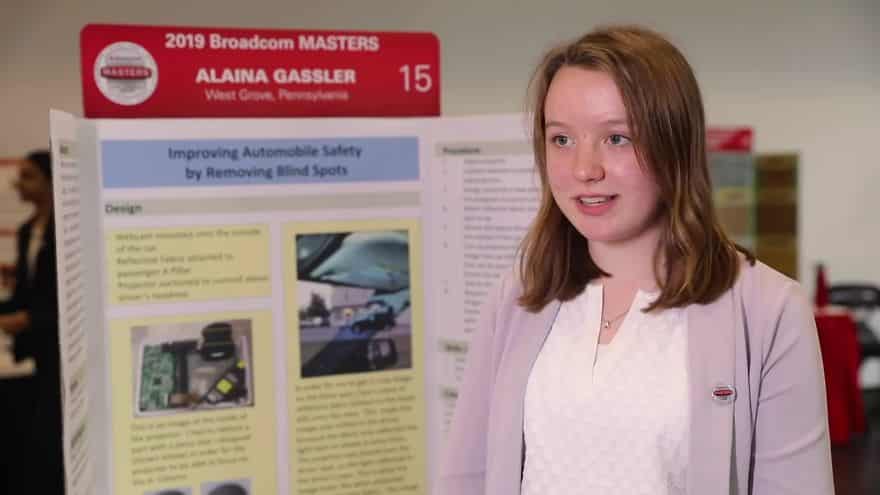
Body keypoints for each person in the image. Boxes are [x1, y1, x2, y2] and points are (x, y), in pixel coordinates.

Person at [437, 26, 832, 495]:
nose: (585, 169)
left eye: (617, 138)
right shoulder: (520, 295)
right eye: (561, 139)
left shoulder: (769, 310)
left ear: (674, 145)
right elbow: (466, 476)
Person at [0, 149, 64, 493]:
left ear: (51, 182)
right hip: (34, 354)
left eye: (28, 176)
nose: (18, 184)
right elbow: (25, 295)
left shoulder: (67, 231)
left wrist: (29, 319)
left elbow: (68, 299)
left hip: (60, 353)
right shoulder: (27, 231)